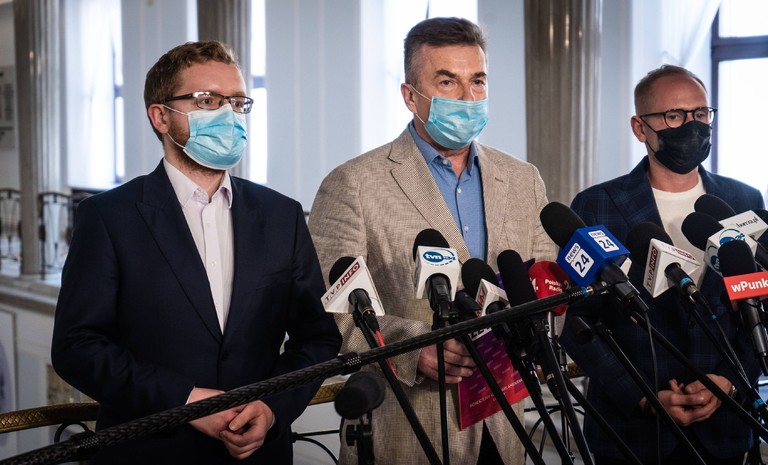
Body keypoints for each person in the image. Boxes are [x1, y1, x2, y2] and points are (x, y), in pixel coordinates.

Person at [51, 41, 342, 464]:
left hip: (258, 452)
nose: (229, 115)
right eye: (207, 100)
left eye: (237, 102)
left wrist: (271, 407)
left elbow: (318, 337)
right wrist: (185, 401)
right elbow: (76, 347)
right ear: (161, 116)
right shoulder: (109, 217)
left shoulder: (282, 215)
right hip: (150, 452)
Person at [308, 17, 556, 465]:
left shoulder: (523, 179)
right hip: (409, 426)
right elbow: (331, 307)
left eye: (477, 81)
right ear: (410, 96)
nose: (467, 97)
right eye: (447, 82)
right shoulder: (354, 184)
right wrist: (411, 348)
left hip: (504, 423)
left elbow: (541, 277)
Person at [560, 64, 765, 464]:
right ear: (641, 128)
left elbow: (759, 305)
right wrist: (643, 395)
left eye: (700, 113)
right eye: (674, 116)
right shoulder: (596, 205)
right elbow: (575, 319)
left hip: (725, 425)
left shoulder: (744, 201)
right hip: (631, 432)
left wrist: (730, 382)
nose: (692, 126)